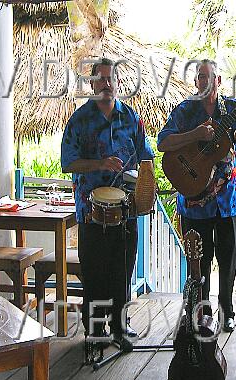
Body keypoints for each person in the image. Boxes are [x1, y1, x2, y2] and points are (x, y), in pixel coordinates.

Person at [61, 57, 154, 350]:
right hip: (92, 212)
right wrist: (100, 163)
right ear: (91, 84)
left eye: (110, 78)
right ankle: (95, 332)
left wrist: (146, 186)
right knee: (95, 272)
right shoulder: (79, 120)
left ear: (117, 82)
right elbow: (67, 163)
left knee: (122, 269)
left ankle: (119, 326)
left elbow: (146, 156)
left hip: (125, 211)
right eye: (100, 79)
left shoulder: (131, 118)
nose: (106, 84)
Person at [158, 59, 236, 332]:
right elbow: (163, 141)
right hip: (194, 201)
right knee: (198, 260)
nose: (204, 82)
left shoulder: (233, 109)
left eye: (209, 77)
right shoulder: (185, 111)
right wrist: (195, 134)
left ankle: (227, 311)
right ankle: (201, 314)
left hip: (227, 201)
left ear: (219, 81)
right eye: (200, 77)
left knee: (228, 259)